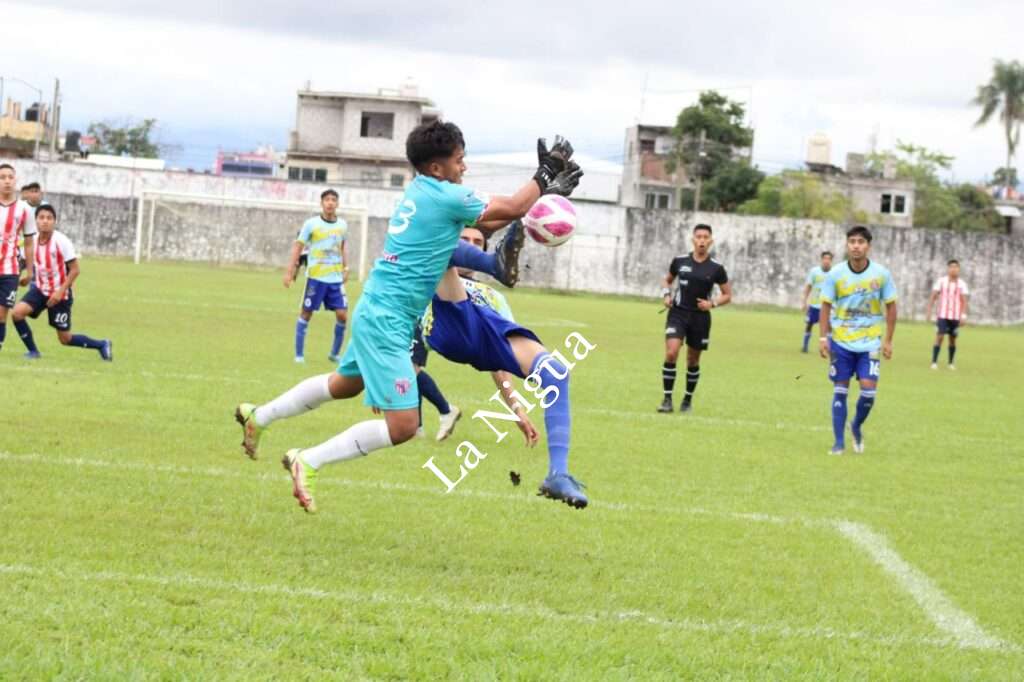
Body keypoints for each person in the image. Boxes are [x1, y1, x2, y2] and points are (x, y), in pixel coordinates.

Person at [235, 120, 581, 513]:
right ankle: (308, 460)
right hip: (387, 319)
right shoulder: (446, 197)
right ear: (437, 167)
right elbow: (513, 208)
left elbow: (491, 221)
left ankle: (259, 416)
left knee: (345, 384)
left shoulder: (425, 192)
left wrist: (539, 194)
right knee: (404, 427)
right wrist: (544, 175)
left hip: (381, 309)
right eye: (459, 160)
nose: (464, 167)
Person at [423, 226, 588, 507]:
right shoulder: (427, 276)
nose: (471, 244)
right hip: (448, 319)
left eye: (477, 242)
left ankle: (558, 473)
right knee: (441, 249)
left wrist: (517, 410)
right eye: (465, 240)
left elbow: (498, 365)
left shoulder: (495, 298)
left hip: (484, 327)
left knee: (556, 374)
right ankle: (505, 246)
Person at [818, 226, 897, 455]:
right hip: (841, 342)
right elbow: (825, 306)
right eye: (852, 241)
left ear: (868, 246)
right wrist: (823, 337)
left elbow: (891, 307)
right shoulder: (836, 274)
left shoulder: (881, 274)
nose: (856, 245)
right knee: (840, 389)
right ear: (846, 245)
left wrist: (889, 341)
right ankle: (838, 443)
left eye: (860, 241)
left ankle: (856, 425)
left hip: (870, 342)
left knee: (869, 391)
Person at [12, 204, 113, 361]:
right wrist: (22, 276)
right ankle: (33, 352)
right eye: (41, 218)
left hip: (61, 294)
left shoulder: (61, 241)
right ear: (36, 221)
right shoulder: (31, 241)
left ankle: (102, 344)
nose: (45, 221)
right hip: (40, 290)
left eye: (49, 218)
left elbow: (75, 270)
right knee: (17, 313)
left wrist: (60, 292)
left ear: (55, 221)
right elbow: (24, 262)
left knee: (64, 339)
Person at [657, 224, 732, 414]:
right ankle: (667, 400)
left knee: (692, 360)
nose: (702, 240)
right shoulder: (680, 261)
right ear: (693, 239)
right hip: (678, 313)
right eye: (698, 236)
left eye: (706, 237)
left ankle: (687, 401)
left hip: (700, 318)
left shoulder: (716, 268)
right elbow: (666, 280)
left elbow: (727, 295)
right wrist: (666, 295)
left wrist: (712, 304)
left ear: (711, 241)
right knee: (672, 352)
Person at [283, 189, 349, 364]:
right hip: (316, 278)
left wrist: (346, 267)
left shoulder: (342, 225)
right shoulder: (311, 224)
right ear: (322, 203)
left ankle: (334, 354)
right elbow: (298, 247)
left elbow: (342, 247)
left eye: (333, 200)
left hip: (335, 279)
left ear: (337, 204)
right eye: (327, 199)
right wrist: (290, 270)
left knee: (343, 315)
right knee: (306, 314)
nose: (330, 203)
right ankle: (299, 355)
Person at [0, 164, 36, 355]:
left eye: (10, 177)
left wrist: (30, 272)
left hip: (10, 270)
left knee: (1, 314)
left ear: (15, 180)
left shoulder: (24, 209)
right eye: (2, 177)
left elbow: (29, 242)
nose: (6, 181)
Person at [410, 318, 461, 441]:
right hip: (407, 318)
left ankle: (446, 410)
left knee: (411, 369)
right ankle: (417, 428)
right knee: (409, 371)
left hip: (419, 318)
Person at [926, 259, 968, 370]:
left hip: (955, 316)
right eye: (951, 267)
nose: (953, 269)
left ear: (958, 269)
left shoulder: (962, 284)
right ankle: (934, 362)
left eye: (956, 267)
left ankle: (950, 363)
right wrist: (929, 311)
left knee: (952, 339)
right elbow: (933, 296)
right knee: (940, 336)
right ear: (948, 268)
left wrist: (963, 315)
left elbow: (964, 301)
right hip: (942, 315)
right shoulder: (941, 281)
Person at [800, 251, 833, 353]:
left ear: (831, 261)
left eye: (829, 259)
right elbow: (808, 286)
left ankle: (829, 348)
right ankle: (805, 346)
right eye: (825, 258)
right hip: (815, 305)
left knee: (829, 327)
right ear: (822, 259)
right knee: (809, 324)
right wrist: (804, 301)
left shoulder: (834, 273)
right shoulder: (814, 271)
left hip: (828, 306)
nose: (826, 261)